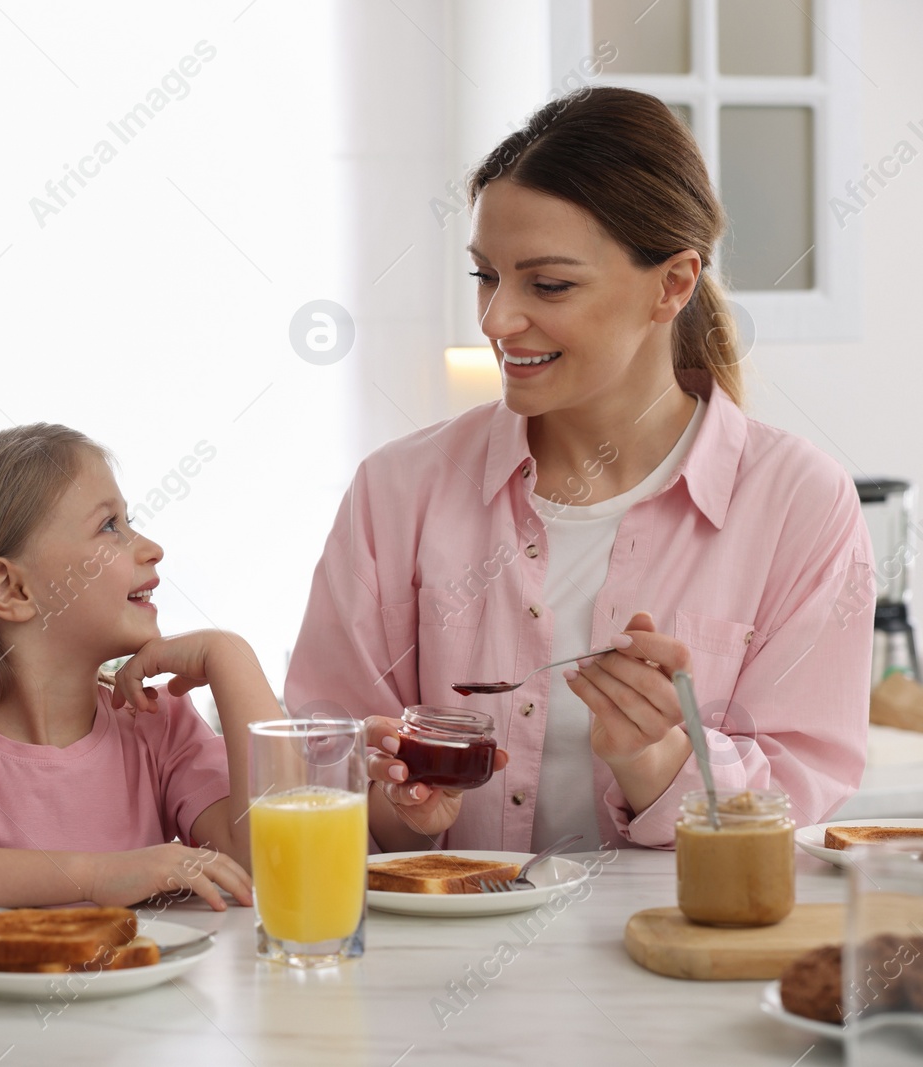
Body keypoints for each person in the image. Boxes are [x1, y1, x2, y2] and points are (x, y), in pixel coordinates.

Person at [286, 86, 873, 855]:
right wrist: (396, 804)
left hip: (685, 960)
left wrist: (658, 758)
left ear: (672, 283)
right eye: (484, 276)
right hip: (437, 958)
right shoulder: (397, 492)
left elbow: (801, 802)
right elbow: (323, 769)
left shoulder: (799, 501)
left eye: (548, 284)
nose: (497, 320)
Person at [0, 424, 281, 910]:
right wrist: (94, 876)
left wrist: (229, 656)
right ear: (13, 590)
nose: (151, 548)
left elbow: (277, 861)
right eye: (110, 526)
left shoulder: (156, 722)